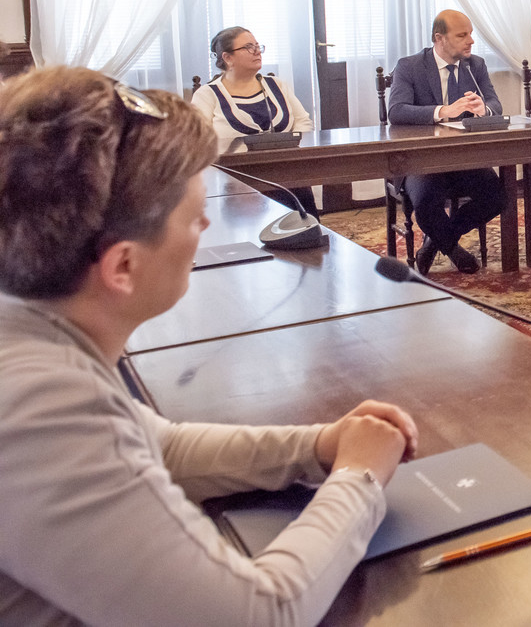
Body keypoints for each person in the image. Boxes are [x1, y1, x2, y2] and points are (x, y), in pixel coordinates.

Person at [0, 66, 417, 627]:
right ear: (123, 266)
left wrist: (319, 445)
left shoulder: (28, 331)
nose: (204, 223)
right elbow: (260, 614)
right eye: (193, 217)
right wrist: (359, 479)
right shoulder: (45, 409)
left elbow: (161, 447)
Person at [388, 10, 504, 273]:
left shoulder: (475, 66)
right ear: (439, 38)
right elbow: (396, 111)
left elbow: (495, 104)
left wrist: (484, 109)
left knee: (496, 196)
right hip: (421, 160)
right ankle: (452, 249)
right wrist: (443, 111)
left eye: (471, 34)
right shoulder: (409, 66)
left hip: (464, 158)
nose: (471, 41)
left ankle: (435, 243)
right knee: (426, 202)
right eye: (462, 35)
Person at [190, 25, 318, 215]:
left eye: (258, 46)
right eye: (248, 47)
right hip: (236, 179)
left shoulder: (276, 85)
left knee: (303, 223)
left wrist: (291, 153)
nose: (257, 51)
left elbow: (303, 122)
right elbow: (197, 141)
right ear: (228, 57)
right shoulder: (207, 94)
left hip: (287, 171)